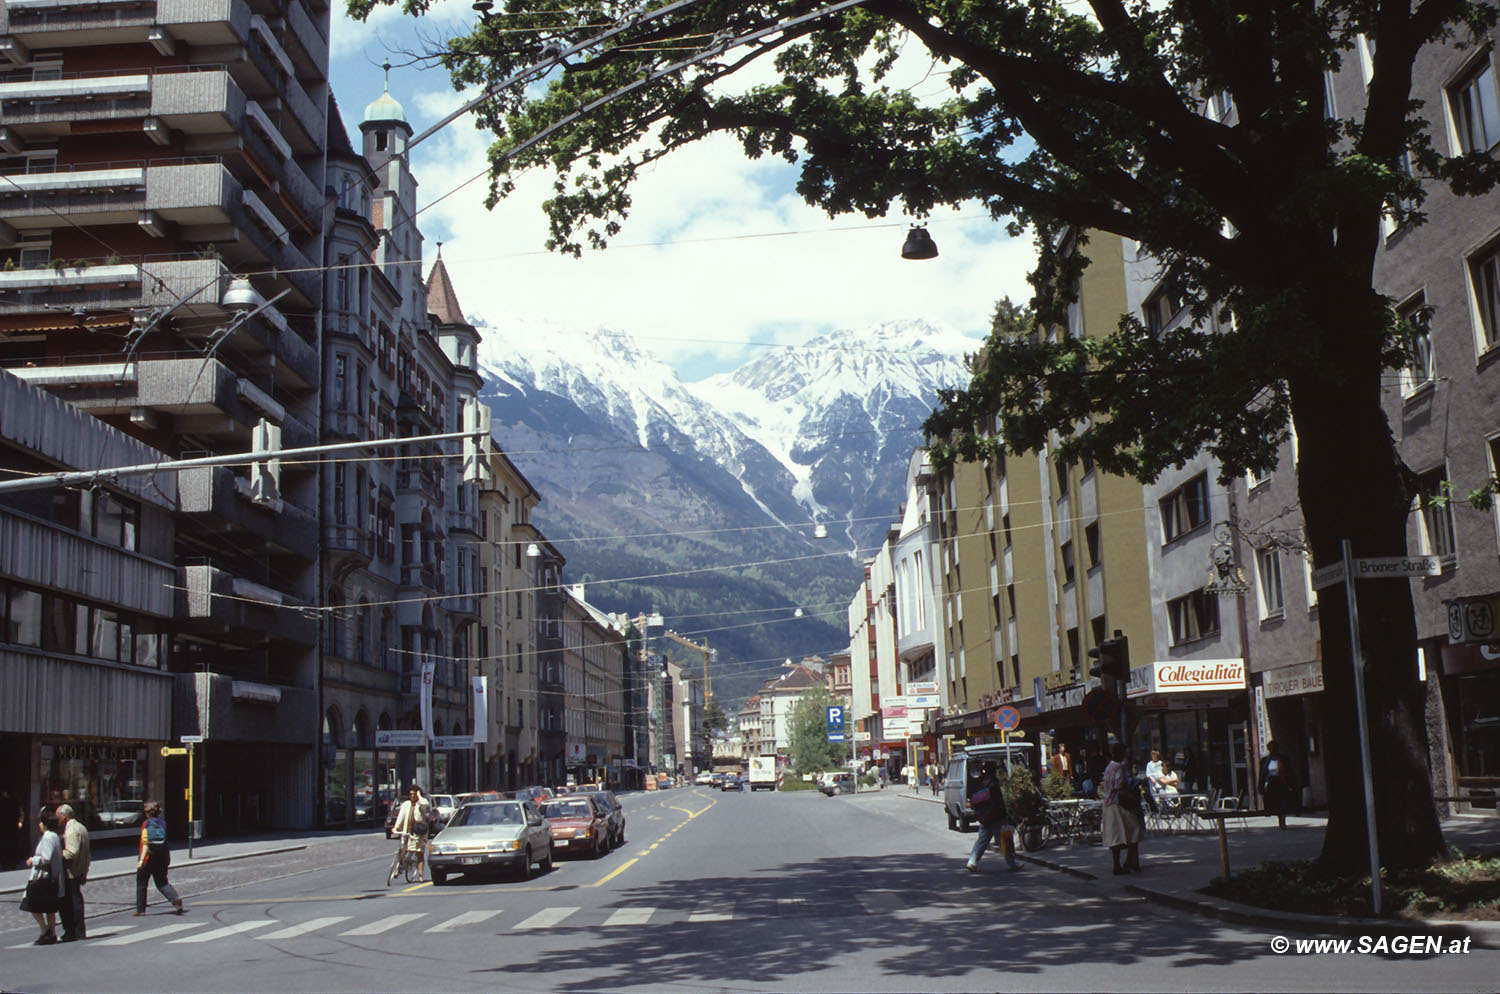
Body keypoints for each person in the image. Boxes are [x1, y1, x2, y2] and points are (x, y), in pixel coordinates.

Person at [965, 761, 1021, 873]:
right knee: (1005, 841)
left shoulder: (981, 782)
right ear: (993, 771)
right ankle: (1012, 863)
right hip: (996, 817)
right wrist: (1004, 816)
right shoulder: (994, 784)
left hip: (984, 817)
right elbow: (999, 802)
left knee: (981, 841)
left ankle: (972, 862)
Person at [20, 807, 64, 945]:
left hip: (42, 877)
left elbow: (46, 858)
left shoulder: (48, 837)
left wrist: (32, 860)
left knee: (31, 904)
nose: (39, 825)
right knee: (49, 908)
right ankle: (51, 933)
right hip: (50, 878)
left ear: (45, 824)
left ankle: (45, 930)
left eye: (40, 822)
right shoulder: (54, 836)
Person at [135, 801, 185, 916]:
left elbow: (145, 843)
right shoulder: (162, 823)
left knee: (142, 883)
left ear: (147, 812)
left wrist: (141, 860)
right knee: (162, 882)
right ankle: (175, 899)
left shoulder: (146, 824)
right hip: (162, 857)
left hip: (148, 857)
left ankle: (140, 910)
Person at [1102, 743, 1143, 875]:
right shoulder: (1119, 767)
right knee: (1135, 829)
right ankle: (1128, 861)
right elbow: (1120, 788)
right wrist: (1132, 797)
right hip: (1118, 803)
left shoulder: (1109, 766)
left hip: (1108, 803)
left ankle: (1118, 864)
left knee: (1115, 834)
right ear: (1121, 753)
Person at [56, 803, 90, 941]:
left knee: (69, 902)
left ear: (64, 816)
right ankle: (79, 931)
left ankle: (72, 931)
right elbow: (87, 853)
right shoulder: (81, 827)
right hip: (80, 869)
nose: (57, 819)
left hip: (71, 871)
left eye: (58, 816)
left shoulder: (71, 831)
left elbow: (71, 852)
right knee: (76, 900)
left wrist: (57, 855)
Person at [391, 785, 431, 882]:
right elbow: (401, 816)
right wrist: (396, 827)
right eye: (411, 794)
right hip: (407, 831)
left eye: (414, 794)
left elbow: (425, 803)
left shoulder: (421, 804)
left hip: (419, 833)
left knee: (419, 853)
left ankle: (420, 875)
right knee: (402, 850)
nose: (412, 796)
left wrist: (419, 795)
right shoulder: (405, 804)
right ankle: (399, 868)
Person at [1259, 740, 1297, 830]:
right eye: (1271, 748)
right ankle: (1278, 817)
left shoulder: (1283, 759)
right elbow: (1262, 774)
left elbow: (1289, 771)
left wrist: (1292, 783)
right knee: (1274, 802)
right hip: (1271, 782)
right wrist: (1261, 786)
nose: (1273, 750)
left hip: (1281, 781)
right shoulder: (1265, 761)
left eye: (1275, 748)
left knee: (1282, 801)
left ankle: (1282, 820)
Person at [0, 787, 22, 870]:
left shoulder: (14, 802)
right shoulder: (2, 802)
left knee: (12, 845)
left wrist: (20, 822)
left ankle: (12, 862)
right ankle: (5, 862)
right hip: (4, 828)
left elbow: (20, 812)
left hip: (12, 828)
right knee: (5, 845)